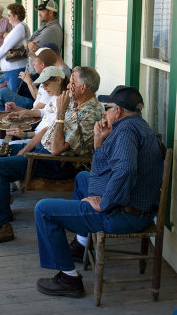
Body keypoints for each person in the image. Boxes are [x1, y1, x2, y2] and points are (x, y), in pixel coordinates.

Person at [34, 85, 164, 298]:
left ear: (118, 111)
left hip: (123, 215)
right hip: (139, 207)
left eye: (107, 108)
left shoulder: (125, 132)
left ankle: (69, 279)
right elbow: (105, 170)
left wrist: (104, 204)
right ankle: (81, 243)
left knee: (44, 210)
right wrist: (98, 142)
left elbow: (125, 170)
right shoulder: (140, 126)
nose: (105, 112)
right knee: (83, 178)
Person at [0, 66, 104, 246]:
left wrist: (61, 114)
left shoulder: (91, 113)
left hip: (56, 163)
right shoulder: (73, 101)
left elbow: (57, 149)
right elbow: (45, 132)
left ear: (84, 88)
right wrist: (23, 151)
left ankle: (0, 227)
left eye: (72, 82)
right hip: (39, 151)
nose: (68, 86)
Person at [0, 48, 58, 168]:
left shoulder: (52, 83)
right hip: (29, 117)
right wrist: (16, 109)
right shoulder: (44, 79)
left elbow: (37, 110)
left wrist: (28, 82)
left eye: (35, 61)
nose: (32, 63)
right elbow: (40, 106)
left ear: (42, 64)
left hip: (32, 124)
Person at [0, 3, 30, 92]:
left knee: (13, 97)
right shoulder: (19, 27)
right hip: (13, 69)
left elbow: (6, 47)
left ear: (16, 16)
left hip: (15, 69)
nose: (8, 17)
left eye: (9, 15)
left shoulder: (20, 28)